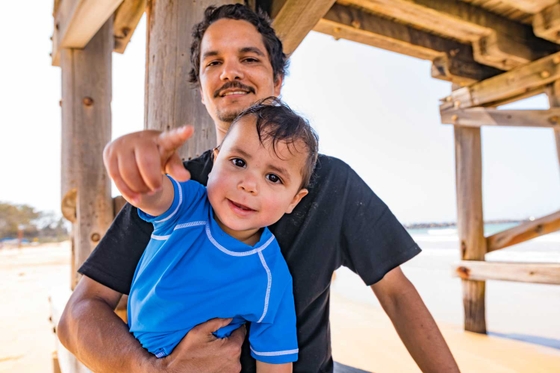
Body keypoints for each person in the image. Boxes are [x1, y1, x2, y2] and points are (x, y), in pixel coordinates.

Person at [57, 4, 460, 373]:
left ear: (277, 78)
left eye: (248, 58)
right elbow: (78, 315)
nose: (230, 71)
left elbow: (397, 294)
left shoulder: (332, 183)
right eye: (213, 62)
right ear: (201, 88)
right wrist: (151, 370)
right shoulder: (178, 189)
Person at [117, 98, 318, 372]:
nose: (248, 184)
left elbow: (275, 361)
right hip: (134, 361)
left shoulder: (272, 276)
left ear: (294, 200)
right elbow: (151, 192)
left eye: (273, 178)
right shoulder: (187, 206)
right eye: (238, 161)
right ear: (214, 161)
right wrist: (138, 160)